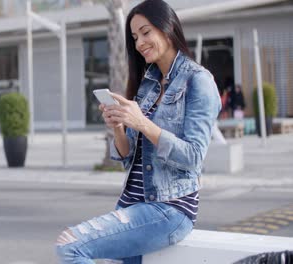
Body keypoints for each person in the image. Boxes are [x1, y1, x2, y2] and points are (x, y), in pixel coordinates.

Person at [55, 1, 221, 263]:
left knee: (70, 246)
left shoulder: (198, 81)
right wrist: (120, 127)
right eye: (134, 37)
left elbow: (193, 157)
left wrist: (142, 122)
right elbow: (126, 156)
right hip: (132, 206)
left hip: (169, 209)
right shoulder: (149, 83)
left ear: (167, 29)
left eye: (146, 32)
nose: (139, 43)